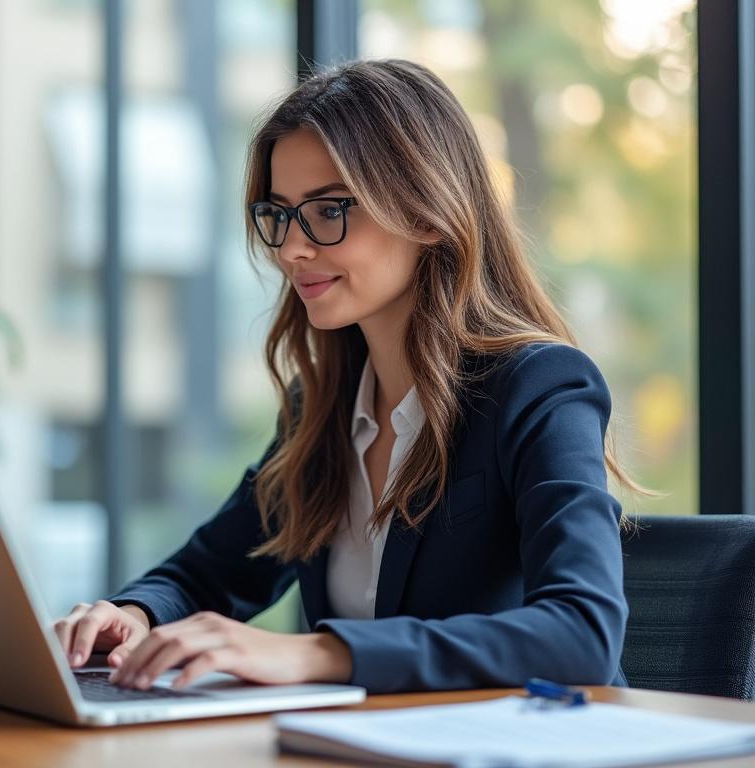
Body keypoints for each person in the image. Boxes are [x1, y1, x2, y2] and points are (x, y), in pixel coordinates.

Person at [52, 58, 640, 695]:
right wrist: (133, 616)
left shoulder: (540, 386)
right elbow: (210, 572)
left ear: (426, 211)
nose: (290, 250)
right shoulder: (326, 406)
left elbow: (584, 633)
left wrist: (317, 655)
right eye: (279, 214)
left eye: (329, 211)